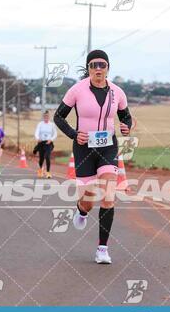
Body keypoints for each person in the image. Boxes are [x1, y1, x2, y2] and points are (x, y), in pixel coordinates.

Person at [54, 50, 133, 264]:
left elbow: (125, 115)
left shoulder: (117, 92)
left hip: (108, 148)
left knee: (108, 196)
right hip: (84, 149)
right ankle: (81, 210)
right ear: (88, 68)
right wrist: (73, 134)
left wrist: (127, 126)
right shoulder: (77, 90)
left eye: (102, 65)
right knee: (88, 201)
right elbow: (58, 116)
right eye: (94, 65)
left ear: (108, 67)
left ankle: (102, 249)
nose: (98, 69)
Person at [33, 110, 57, 178]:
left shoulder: (52, 125)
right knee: (41, 158)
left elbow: (55, 134)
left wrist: (51, 139)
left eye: (47, 116)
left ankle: (48, 172)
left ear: (49, 117)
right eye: (45, 116)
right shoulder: (40, 124)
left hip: (48, 143)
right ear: (43, 117)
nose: (46, 117)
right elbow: (36, 132)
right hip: (41, 143)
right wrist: (37, 138)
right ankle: (40, 170)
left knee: (47, 156)